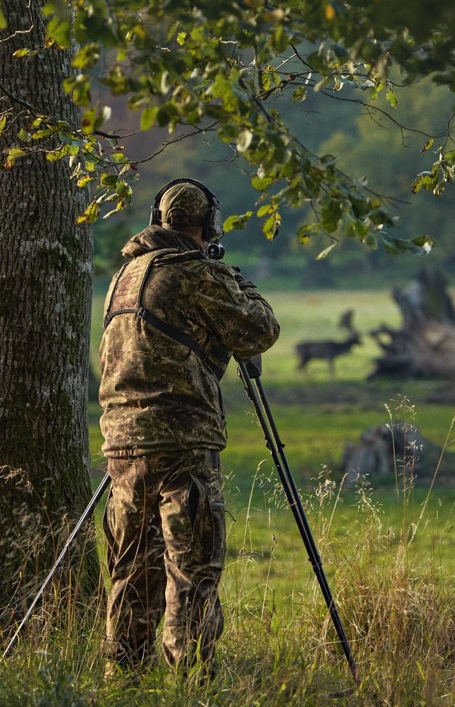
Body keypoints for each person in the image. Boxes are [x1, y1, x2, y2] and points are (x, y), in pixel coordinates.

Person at [98, 178, 280, 678]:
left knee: (131, 566)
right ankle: (191, 677)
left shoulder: (125, 276)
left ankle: (125, 676)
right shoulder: (196, 274)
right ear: (207, 225)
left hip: (122, 441)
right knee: (191, 565)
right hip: (182, 440)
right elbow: (258, 330)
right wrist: (239, 283)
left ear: (159, 220)